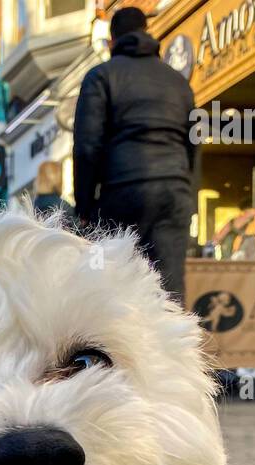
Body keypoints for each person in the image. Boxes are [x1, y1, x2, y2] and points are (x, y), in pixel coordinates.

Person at [73, 6, 195, 298]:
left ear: (112, 40)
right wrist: (187, 190)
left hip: (124, 189)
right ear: (146, 32)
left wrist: (85, 207)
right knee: (169, 289)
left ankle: (126, 343)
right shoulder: (178, 81)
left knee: (118, 280)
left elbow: (87, 146)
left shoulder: (101, 76)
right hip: (173, 189)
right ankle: (171, 343)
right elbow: (193, 143)